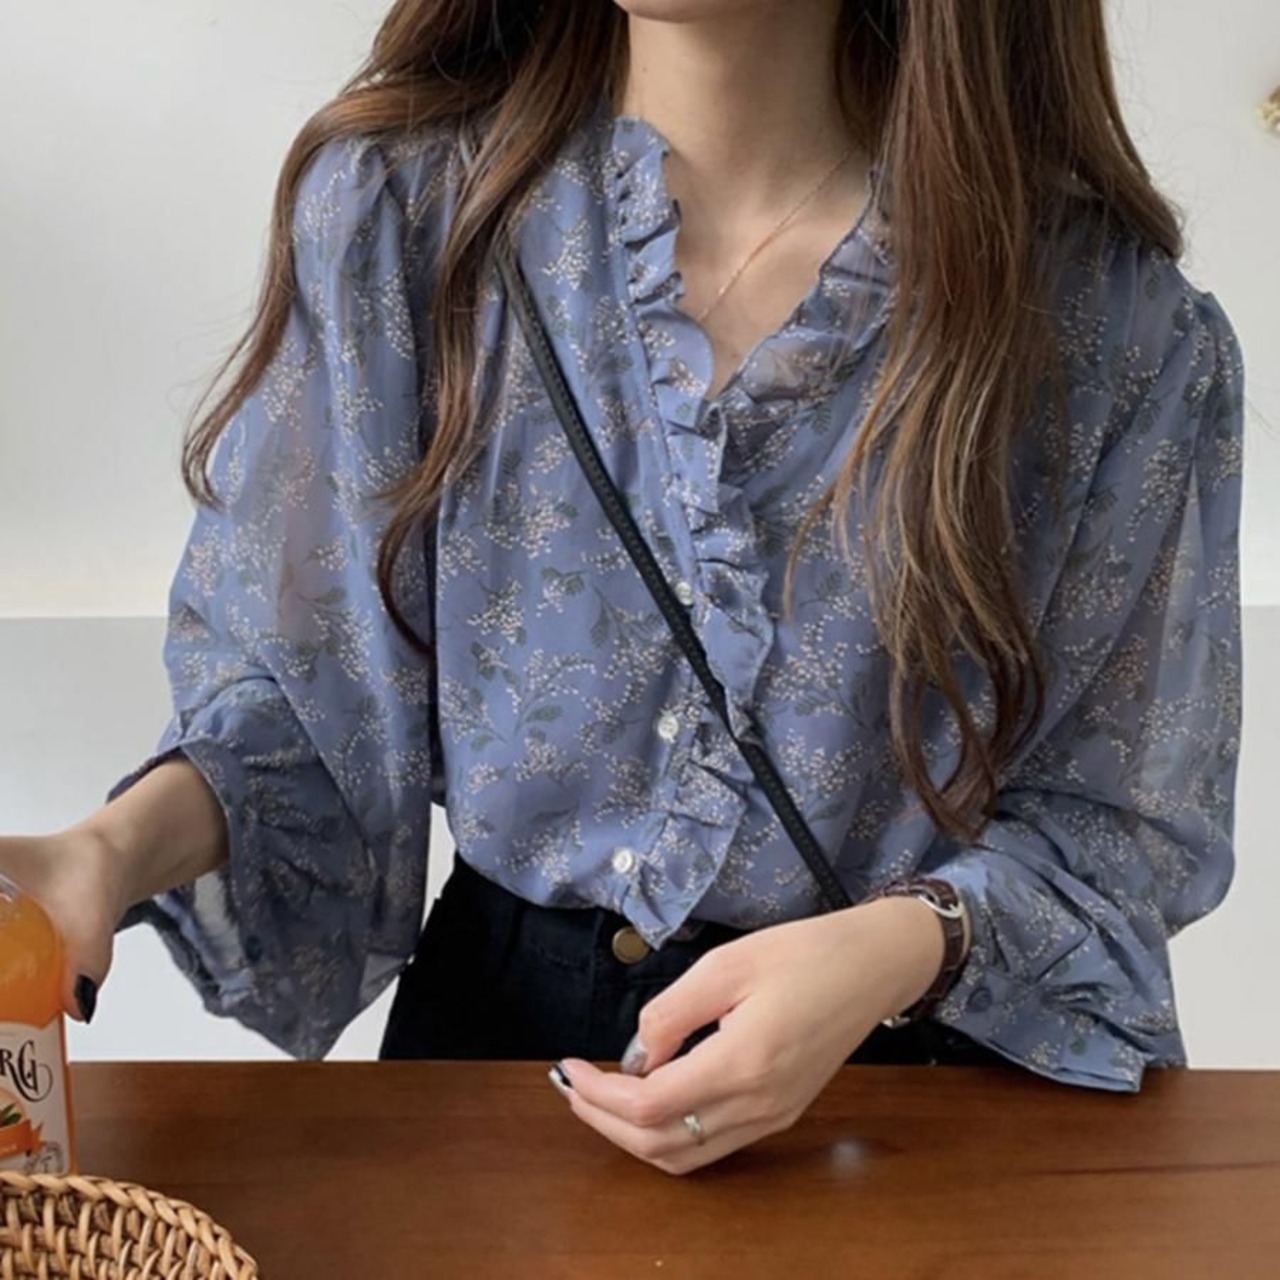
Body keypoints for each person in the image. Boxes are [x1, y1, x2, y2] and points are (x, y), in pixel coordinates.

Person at [0, 0, 1244, 1176]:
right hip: (497, 1097)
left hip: (901, 1110)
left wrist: (893, 945)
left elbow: (1116, 828)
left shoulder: (1102, 326)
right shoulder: (411, 217)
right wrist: (106, 850)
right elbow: (306, 709)